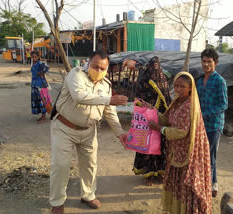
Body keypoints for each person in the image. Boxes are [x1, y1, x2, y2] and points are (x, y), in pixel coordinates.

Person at [50, 50, 128, 214]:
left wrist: (120, 133)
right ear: (89, 63)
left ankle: (88, 195)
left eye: (102, 68)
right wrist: (109, 99)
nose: (98, 71)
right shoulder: (76, 74)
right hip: (64, 128)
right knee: (61, 165)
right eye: (95, 66)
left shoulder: (106, 85)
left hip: (89, 131)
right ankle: (57, 202)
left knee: (90, 165)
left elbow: (109, 112)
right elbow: (80, 96)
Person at [147, 72, 212, 214]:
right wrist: (152, 110)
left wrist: (158, 128)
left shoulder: (189, 105)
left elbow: (181, 132)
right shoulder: (177, 101)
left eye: (182, 86)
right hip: (177, 150)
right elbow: (167, 119)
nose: (178, 89)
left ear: (190, 88)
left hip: (189, 152)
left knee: (188, 184)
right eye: (176, 85)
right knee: (178, 184)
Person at [123, 56, 171, 186]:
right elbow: (138, 102)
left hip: (159, 123)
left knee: (160, 148)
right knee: (146, 148)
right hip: (146, 124)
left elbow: (167, 102)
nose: (154, 73)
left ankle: (160, 173)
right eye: (151, 69)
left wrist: (164, 117)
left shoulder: (163, 82)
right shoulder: (143, 83)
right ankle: (147, 175)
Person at [196, 48, 228, 197]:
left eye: (209, 61)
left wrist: (205, 114)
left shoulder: (220, 81)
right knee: (200, 155)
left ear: (215, 63)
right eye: (204, 61)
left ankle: (211, 185)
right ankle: (208, 183)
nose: (206, 64)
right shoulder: (199, 80)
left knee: (210, 155)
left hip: (214, 125)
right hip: (200, 124)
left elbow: (223, 104)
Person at [30, 51, 51, 124]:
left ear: (38, 57)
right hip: (34, 85)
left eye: (35, 57)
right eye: (32, 57)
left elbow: (47, 68)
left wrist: (41, 73)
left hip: (40, 85)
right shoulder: (34, 64)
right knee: (37, 101)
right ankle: (42, 116)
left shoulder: (39, 63)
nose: (34, 58)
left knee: (42, 100)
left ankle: (44, 117)